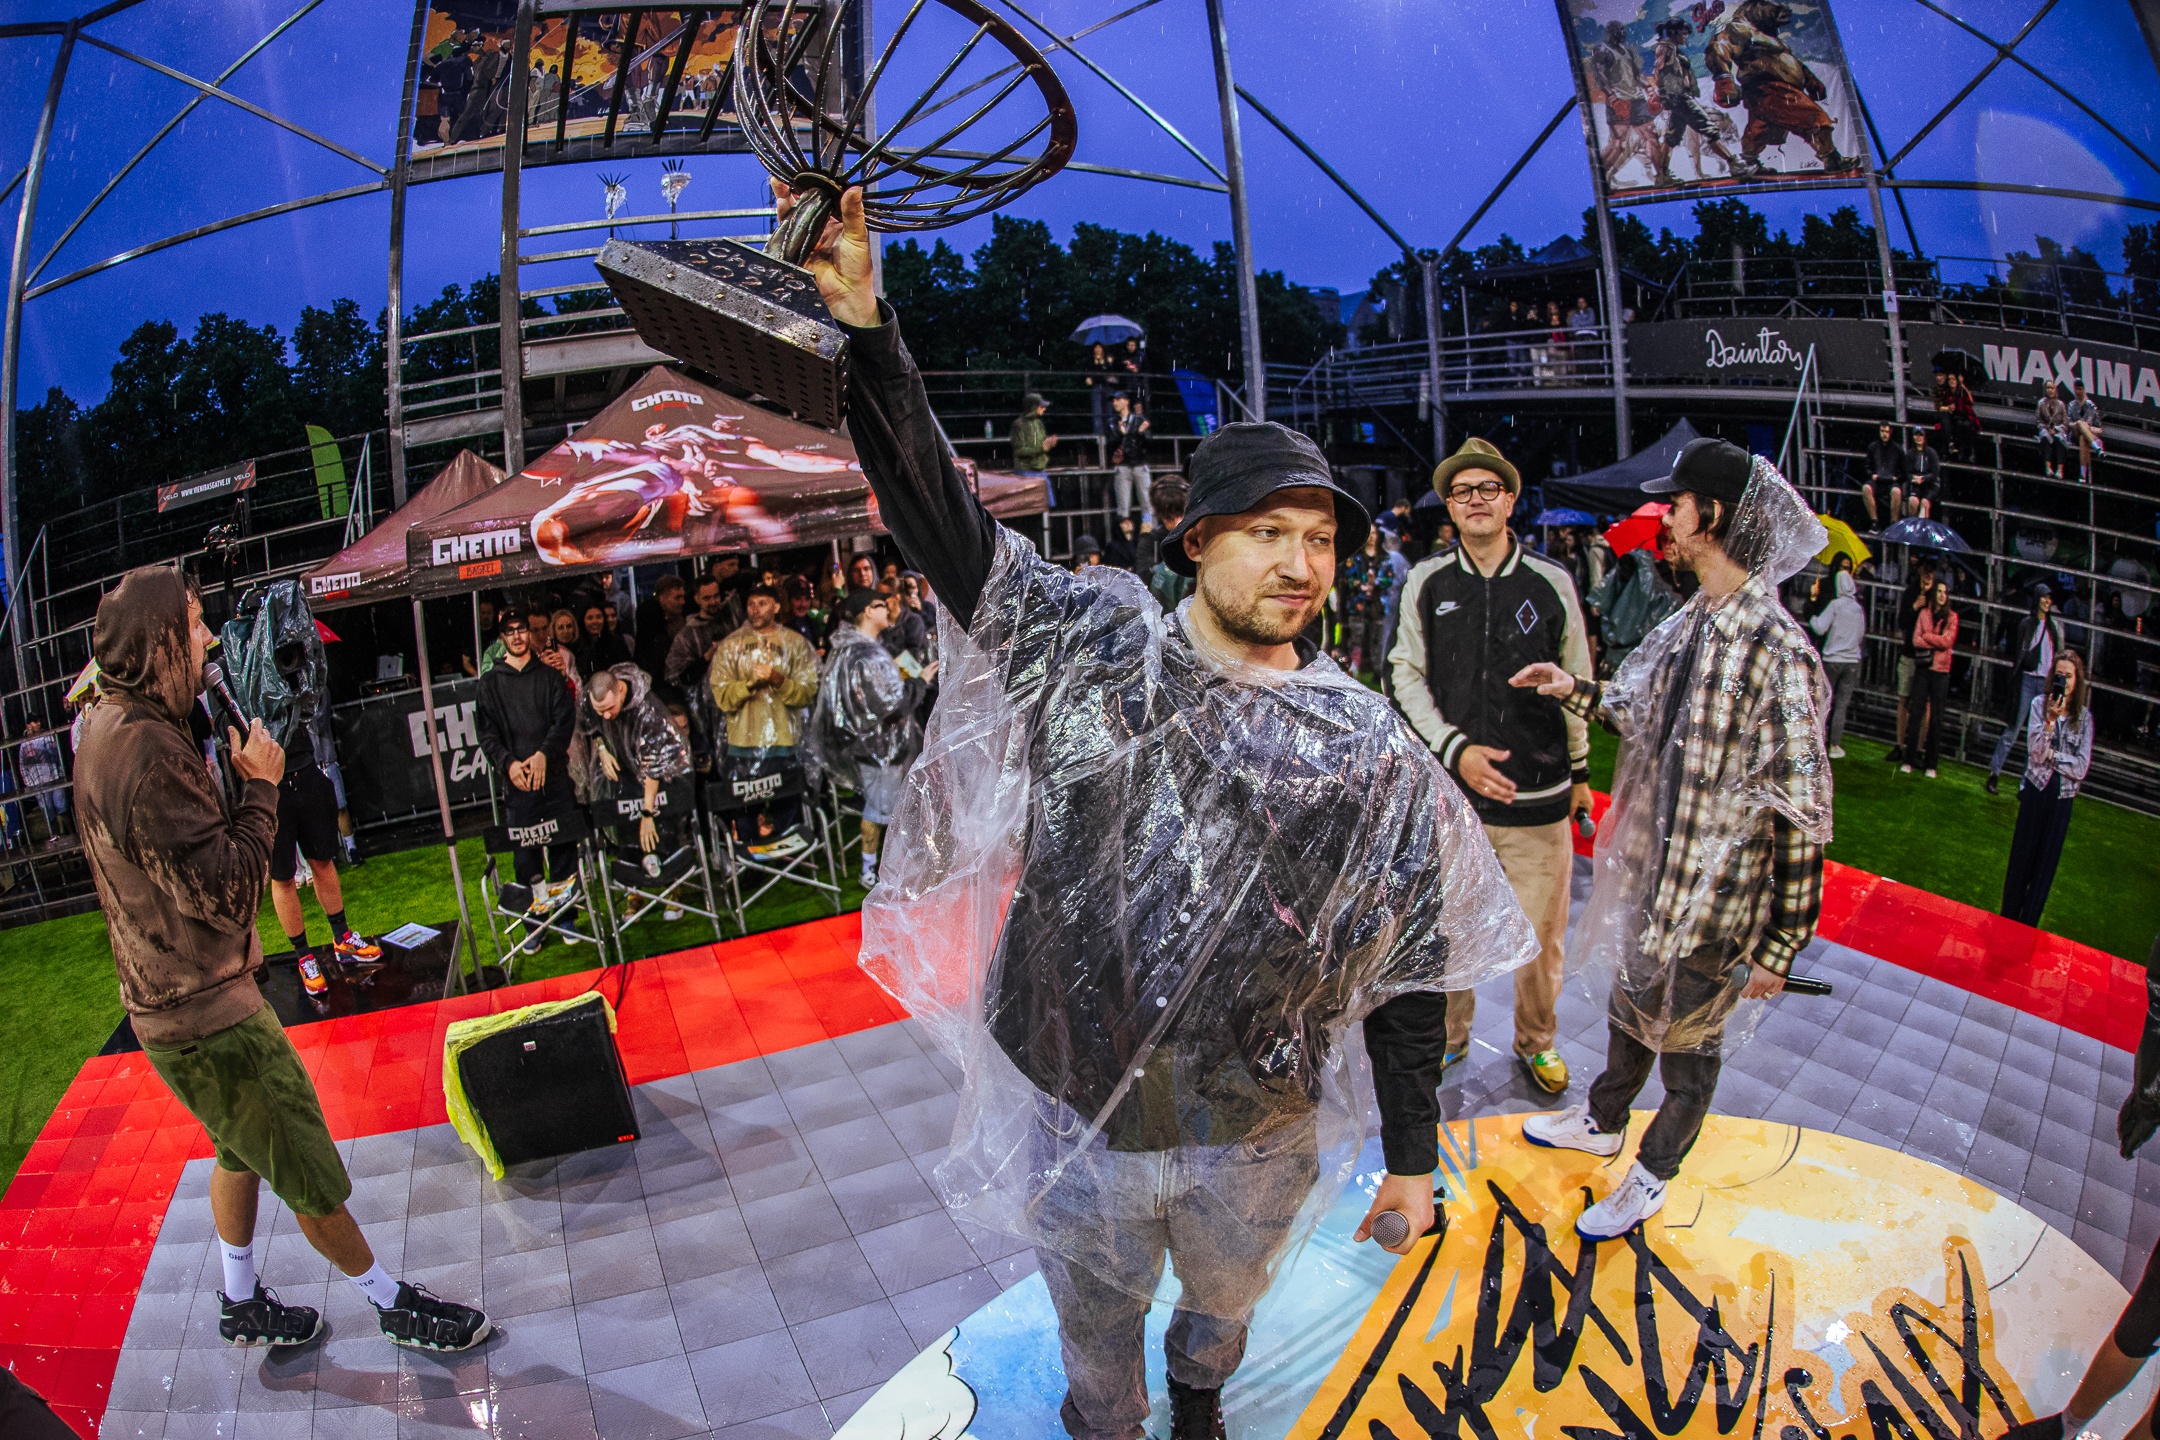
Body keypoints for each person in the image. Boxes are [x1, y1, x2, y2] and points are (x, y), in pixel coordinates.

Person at [783, 180, 1532, 1440]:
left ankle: (1199, 1399)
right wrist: (869, 333)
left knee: (1224, 1306)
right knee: (1091, 1330)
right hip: (1084, 1112)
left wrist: (1412, 1155)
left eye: (1321, 540)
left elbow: (1406, 967)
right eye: (1269, 533)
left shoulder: (1362, 744)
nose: (1301, 565)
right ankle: (1110, 1419)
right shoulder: (1088, 649)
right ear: (1195, 540)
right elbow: (943, 522)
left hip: (1257, 1130)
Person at [73, 564, 490, 1354]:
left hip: (172, 1003)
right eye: (195, 626)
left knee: (239, 1148)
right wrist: (262, 788)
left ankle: (239, 1301)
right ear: (160, 643)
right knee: (304, 1165)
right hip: (207, 1012)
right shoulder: (147, 756)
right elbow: (231, 895)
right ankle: (392, 1304)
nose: (209, 642)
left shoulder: (114, 723)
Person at [1514, 439, 1830, 1240]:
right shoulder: (1694, 623)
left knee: (1690, 1053)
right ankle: (1603, 1122)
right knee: (1630, 1010)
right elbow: (1639, 709)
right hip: (1660, 880)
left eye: (1677, 504)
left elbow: (1800, 809)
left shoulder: (1776, 650)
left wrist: (1782, 942)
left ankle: (1653, 1175)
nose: (1665, 516)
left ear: (1711, 516)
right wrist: (1570, 687)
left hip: (1718, 907)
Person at [1391, 437, 1594, 1095]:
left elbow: (1576, 679)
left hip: (1538, 797)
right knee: (1449, 934)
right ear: (1450, 507)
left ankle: (1537, 1041)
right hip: (1452, 800)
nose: (1475, 499)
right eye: (1462, 491)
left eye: (1488, 488)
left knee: (1541, 940)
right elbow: (1402, 673)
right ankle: (1450, 1040)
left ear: (1510, 500)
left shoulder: (1552, 582)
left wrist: (1581, 772)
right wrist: (1455, 750)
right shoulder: (1426, 581)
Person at [809, 590, 935, 889]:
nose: (888, 610)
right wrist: (920, 681)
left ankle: (882, 869)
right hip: (880, 748)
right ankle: (875, 872)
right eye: (881, 605)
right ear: (868, 611)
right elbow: (890, 706)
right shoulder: (867, 654)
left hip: (870, 746)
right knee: (881, 812)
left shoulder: (855, 650)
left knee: (883, 808)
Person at [475, 609, 585, 947]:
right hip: (518, 786)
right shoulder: (489, 683)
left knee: (564, 850)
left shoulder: (550, 677)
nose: (517, 636)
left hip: (555, 779)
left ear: (530, 632)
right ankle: (534, 924)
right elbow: (487, 735)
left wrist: (542, 755)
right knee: (526, 858)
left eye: (521, 629)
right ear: (502, 638)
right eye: (510, 631)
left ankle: (566, 918)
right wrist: (509, 765)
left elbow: (564, 722)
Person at [708, 584, 820, 855]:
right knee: (746, 811)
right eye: (751, 604)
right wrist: (749, 684)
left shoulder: (794, 643)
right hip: (742, 744)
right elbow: (722, 697)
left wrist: (778, 680)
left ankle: (790, 860)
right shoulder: (731, 645)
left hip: (783, 741)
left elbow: (806, 693)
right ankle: (750, 864)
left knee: (787, 807)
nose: (755, 610)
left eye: (762, 603)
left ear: (777, 606)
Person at [1999, 650, 2092, 927]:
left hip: (2062, 799)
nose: (2064, 681)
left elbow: (2081, 768)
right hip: (2035, 792)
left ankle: (2029, 926)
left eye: (2069, 676)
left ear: (2077, 681)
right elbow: (2036, 752)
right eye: (2059, 675)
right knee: (2021, 860)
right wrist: (2050, 723)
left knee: (2045, 867)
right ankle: (2007, 921)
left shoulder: (2084, 719)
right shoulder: (2040, 705)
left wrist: (2053, 756)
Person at [582, 665, 695, 880]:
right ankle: (635, 888)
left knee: (660, 833)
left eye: (610, 708)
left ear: (620, 690)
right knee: (628, 834)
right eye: (601, 711)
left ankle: (672, 886)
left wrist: (647, 813)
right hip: (625, 774)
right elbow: (588, 719)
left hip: (665, 776)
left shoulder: (648, 713)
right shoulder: (593, 699)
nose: (606, 716)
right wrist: (602, 749)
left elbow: (654, 767)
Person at [1987, 585, 2066, 794]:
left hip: (2044, 684)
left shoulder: (2053, 628)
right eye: (2044, 597)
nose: (2047, 601)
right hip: (2027, 680)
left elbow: (2058, 655)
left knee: (2036, 736)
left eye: (2049, 598)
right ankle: (1994, 773)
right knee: (2013, 729)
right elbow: (2020, 653)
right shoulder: (2027, 624)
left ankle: (2025, 783)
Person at [1809, 568, 1865, 758]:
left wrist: (1813, 615)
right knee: (1842, 705)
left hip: (1832, 659)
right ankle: (1835, 744)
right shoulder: (1858, 609)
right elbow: (1860, 635)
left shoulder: (1835, 605)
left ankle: (1818, 740)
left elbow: (1819, 628)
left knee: (1825, 701)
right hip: (1852, 661)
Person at [1905, 579, 1957, 778]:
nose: (1943, 595)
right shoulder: (1924, 613)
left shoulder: (1952, 617)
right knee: (1915, 714)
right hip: (1924, 668)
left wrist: (1927, 636)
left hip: (1941, 672)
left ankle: (1931, 764)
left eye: (1945, 592)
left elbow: (1947, 642)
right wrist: (1933, 640)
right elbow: (1915, 640)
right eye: (1940, 591)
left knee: (1936, 718)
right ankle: (1909, 759)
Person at [1146, 480, 1193, 615]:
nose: (1177, 521)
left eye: (1180, 513)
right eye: (1170, 516)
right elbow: (1146, 577)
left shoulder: (1198, 534)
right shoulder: (1150, 540)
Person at [1109, 391, 1151, 520]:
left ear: (1126, 401)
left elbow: (1148, 442)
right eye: (1113, 400)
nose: (1114, 403)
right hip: (1122, 465)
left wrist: (1139, 433)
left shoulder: (1139, 420)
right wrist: (1124, 434)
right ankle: (1125, 530)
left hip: (1140, 464)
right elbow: (1111, 443)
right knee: (1123, 505)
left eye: (1118, 399)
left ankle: (1148, 528)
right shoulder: (1112, 422)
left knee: (1147, 502)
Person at [1862, 421, 1908, 527]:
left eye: (1886, 432)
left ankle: (1894, 523)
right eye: (1882, 431)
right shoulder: (1873, 447)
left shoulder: (1898, 449)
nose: (1884, 434)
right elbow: (1866, 467)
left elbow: (1904, 472)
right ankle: (1874, 522)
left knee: (1896, 491)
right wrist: (1871, 475)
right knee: (1866, 488)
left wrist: (1896, 478)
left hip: (1892, 481)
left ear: (1890, 432)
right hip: (1877, 481)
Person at [575, 598, 634, 675]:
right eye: (590, 618)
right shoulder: (577, 647)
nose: (595, 621)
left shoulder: (617, 644)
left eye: (599, 617)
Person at [1010, 392, 1058, 480]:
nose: (1044, 409)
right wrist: (1042, 447)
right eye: (1041, 407)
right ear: (1033, 407)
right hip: (1025, 471)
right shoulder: (1018, 425)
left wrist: (1049, 443)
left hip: (1040, 470)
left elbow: (1041, 444)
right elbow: (1019, 451)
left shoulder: (1039, 423)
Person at [2068, 380, 2104, 481]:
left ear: (2084, 390)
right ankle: (2097, 447)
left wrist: (2087, 428)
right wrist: (2079, 425)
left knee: (2083, 438)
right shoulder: (2071, 405)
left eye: (2080, 389)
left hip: (2087, 436)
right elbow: (2068, 424)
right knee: (2080, 423)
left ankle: (2082, 474)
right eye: (2076, 389)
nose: (2078, 391)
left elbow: (2099, 429)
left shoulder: (2091, 406)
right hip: (2074, 433)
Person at [2036, 381, 2070, 480]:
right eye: (2048, 388)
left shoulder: (2061, 404)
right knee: (2045, 437)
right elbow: (2038, 421)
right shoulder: (2041, 403)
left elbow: (2065, 423)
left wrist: (2056, 429)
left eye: (2052, 388)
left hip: (2058, 430)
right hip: (2046, 429)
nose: (2050, 390)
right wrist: (2047, 428)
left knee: (2060, 439)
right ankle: (2048, 467)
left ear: (2055, 390)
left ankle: (2060, 469)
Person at [1906, 428, 1941, 518]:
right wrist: (1913, 478)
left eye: (1920, 435)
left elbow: (1935, 473)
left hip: (1930, 484)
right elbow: (1906, 472)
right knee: (1912, 501)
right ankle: (1913, 524)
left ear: (1924, 437)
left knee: (1924, 503)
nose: (1918, 438)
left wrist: (1924, 478)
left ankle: (1923, 525)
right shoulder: (1910, 454)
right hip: (1916, 484)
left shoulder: (1932, 453)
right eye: (1916, 435)